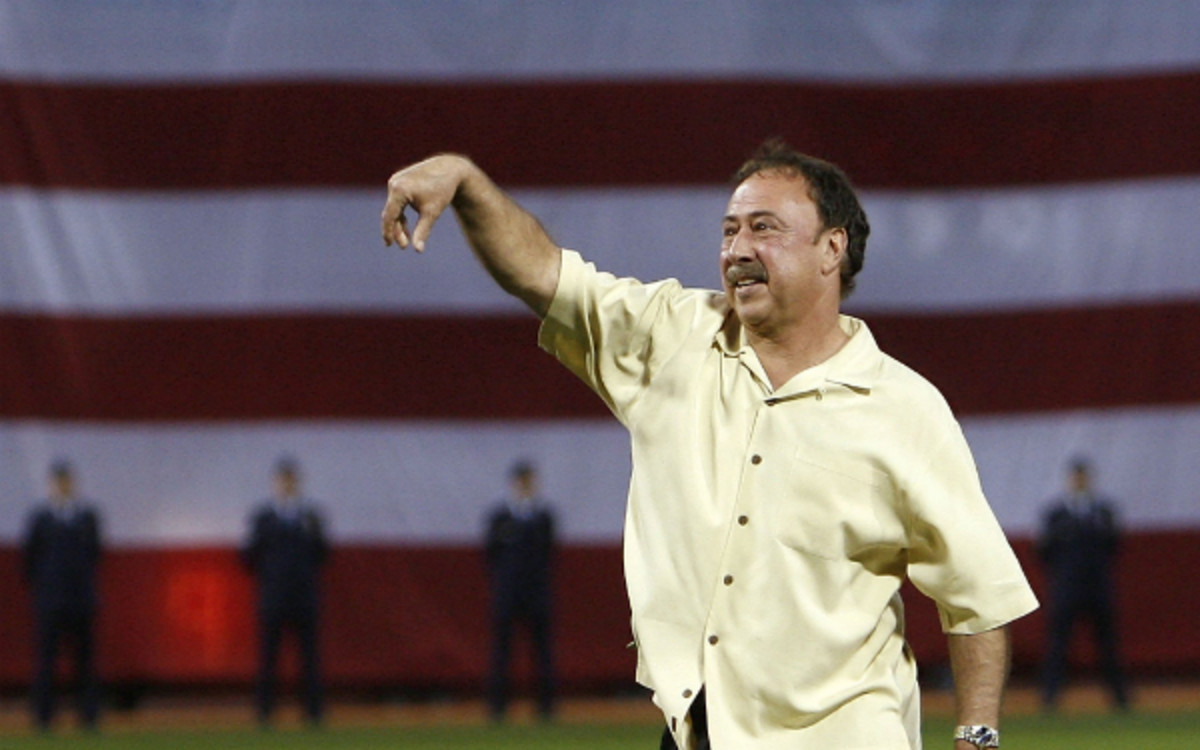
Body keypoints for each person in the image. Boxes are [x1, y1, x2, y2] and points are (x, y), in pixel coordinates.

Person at [380, 141, 1039, 749]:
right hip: (698, 732)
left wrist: (977, 733)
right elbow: (543, 274)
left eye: (764, 228)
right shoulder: (673, 339)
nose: (737, 248)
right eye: (729, 230)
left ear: (831, 249)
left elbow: (977, 596)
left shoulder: (904, 408)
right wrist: (466, 182)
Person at [241, 456, 330, 726]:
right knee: (268, 659)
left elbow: (323, 554)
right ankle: (265, 712)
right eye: (283, 479)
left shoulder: (311, 516)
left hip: (304, 597)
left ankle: (313, 713)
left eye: (292, 479)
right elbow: (248, 555)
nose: (288, 484)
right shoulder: (263, 517)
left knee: (309, 660)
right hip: (274, 597)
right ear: (275, 482)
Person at [1036, 457, 1129, 711]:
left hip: (1098, 588)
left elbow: (1115, 546)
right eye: (1076, 477)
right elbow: (1043, 551)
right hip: (1066, 589)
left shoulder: (1103, 512)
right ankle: (1050, 698)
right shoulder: (1056, 514)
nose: (1080, 481)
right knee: (1058, 646)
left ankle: (1120, 699)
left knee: (1108, 646)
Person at [22, 459, 102, 731]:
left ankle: (88, 716)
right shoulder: (41, 518)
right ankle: (44, 717)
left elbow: (95, 554)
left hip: (81, 600)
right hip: (50, 601)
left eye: (67, 480)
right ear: (51, 484)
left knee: (85, 662)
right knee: (46, 661)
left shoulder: (87, 516)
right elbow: (30, 559)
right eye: (59, 481)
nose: (64, 485)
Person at [483, 459, 557, 722]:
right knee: (502, 653)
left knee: (543, 653)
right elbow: (489, 554)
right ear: (513, 484)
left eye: (530, 481)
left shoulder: (544, 516)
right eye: (522, 481)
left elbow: (549, 551)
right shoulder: (499, 517)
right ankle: (498, 708)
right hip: (508, 594)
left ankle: (546, 709)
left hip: (537, 593)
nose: (526, 486)